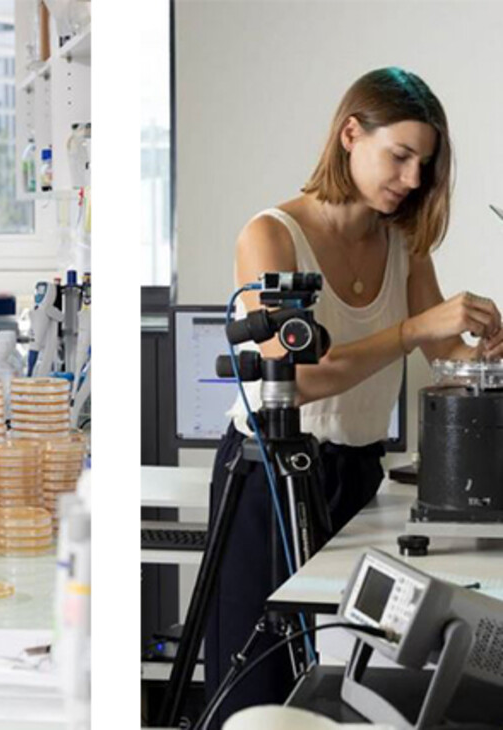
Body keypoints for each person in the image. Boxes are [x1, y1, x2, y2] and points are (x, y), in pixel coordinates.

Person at [205, 67, 503, 725]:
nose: (414, 179)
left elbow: (442, 354)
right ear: (350, 133)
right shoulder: (273, 234)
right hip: (267, 473)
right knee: (249, 684)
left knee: (338, 682)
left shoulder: (400, 240)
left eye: (423, 164)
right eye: (400, 156)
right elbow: (300, 378)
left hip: (354, 477)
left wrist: (480, 344)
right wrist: (418, 327)